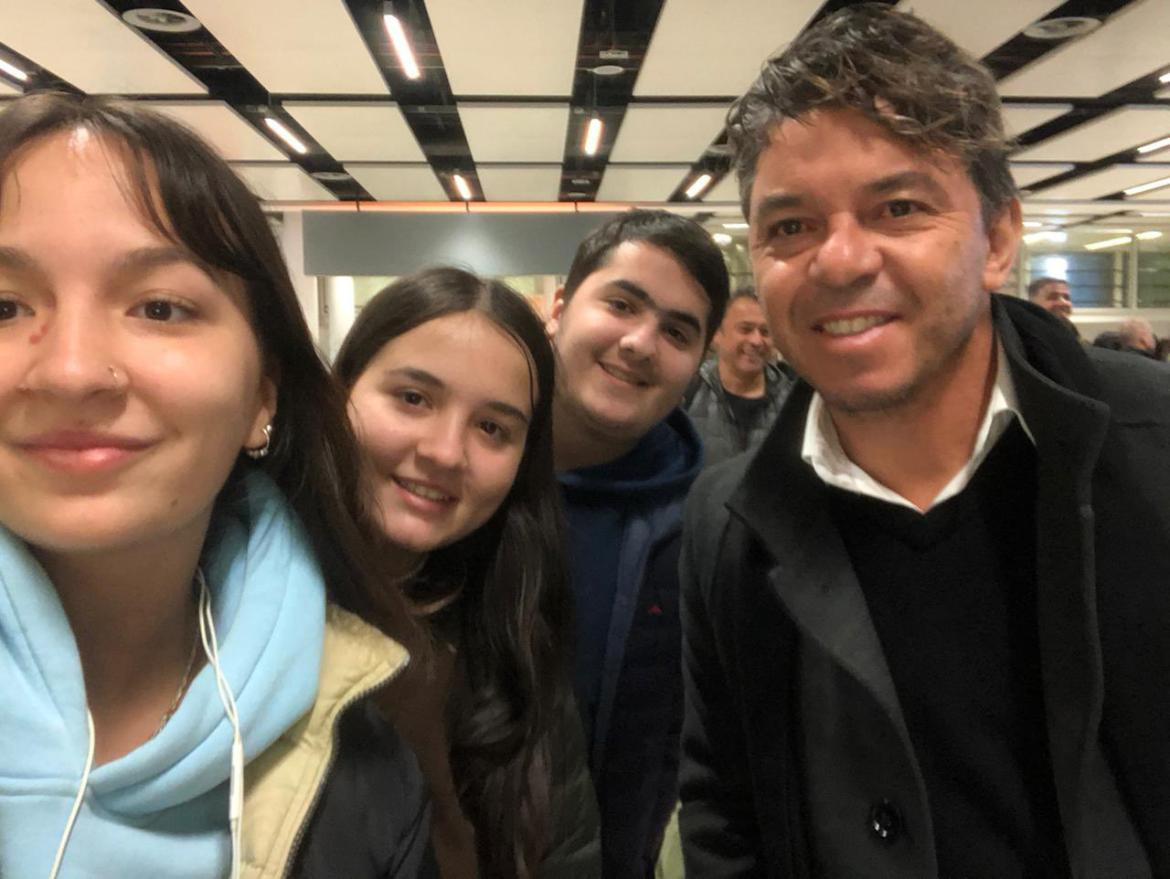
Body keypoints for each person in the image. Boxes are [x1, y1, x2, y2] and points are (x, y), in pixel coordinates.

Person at [679, 6, 1170, 878]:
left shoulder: (1152, 444)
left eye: (898, 207)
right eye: (790, 226)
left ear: (999, 239)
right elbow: (725, 803)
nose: (837, 260)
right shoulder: (729, 523)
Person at [0, 94, 430, 877]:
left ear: (263, 395)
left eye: (160, 307)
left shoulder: (364, 766)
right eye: (3, 305)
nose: (69, 370)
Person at [335, 267, 600, 879]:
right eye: (413, 398)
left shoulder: (513, 642)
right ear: (338, 391)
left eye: (492, 429)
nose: (446, 452)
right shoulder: (229, 608)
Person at [545, 209, 729, 878]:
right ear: (560, 306)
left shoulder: (708, 532)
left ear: (698, 361)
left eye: (677, 331)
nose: (640, 342)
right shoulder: (458, 477)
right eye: (621, 304)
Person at [685, 288, 793, 466]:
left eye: (765, 332)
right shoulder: (687, 392)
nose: (757, 341)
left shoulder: (792, 402)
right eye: (746, 329)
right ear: (717, 335)